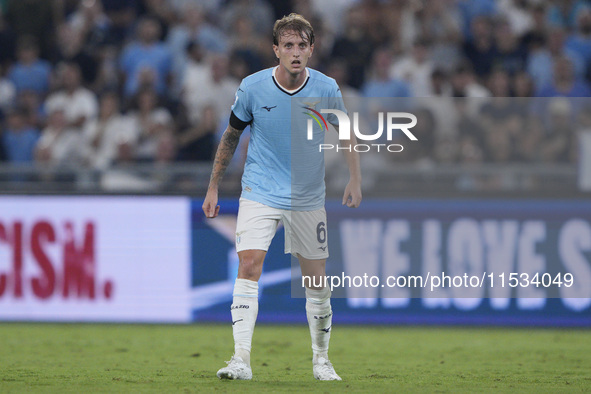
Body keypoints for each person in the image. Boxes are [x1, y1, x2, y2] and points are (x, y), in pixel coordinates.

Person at [202, 13, 361, 381]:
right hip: (260, 191)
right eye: (287, 45)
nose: (295, 52)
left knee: (316, 282)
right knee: (249, 265)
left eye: (301, 45)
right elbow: (231, 136)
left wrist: (355, 178)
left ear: (311, 50)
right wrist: (213, 186)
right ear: (276, 50)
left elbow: (347, 131)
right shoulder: (253, 87)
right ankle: (240, 358)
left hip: (307, 197)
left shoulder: (326, 88)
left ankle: (321, 360)